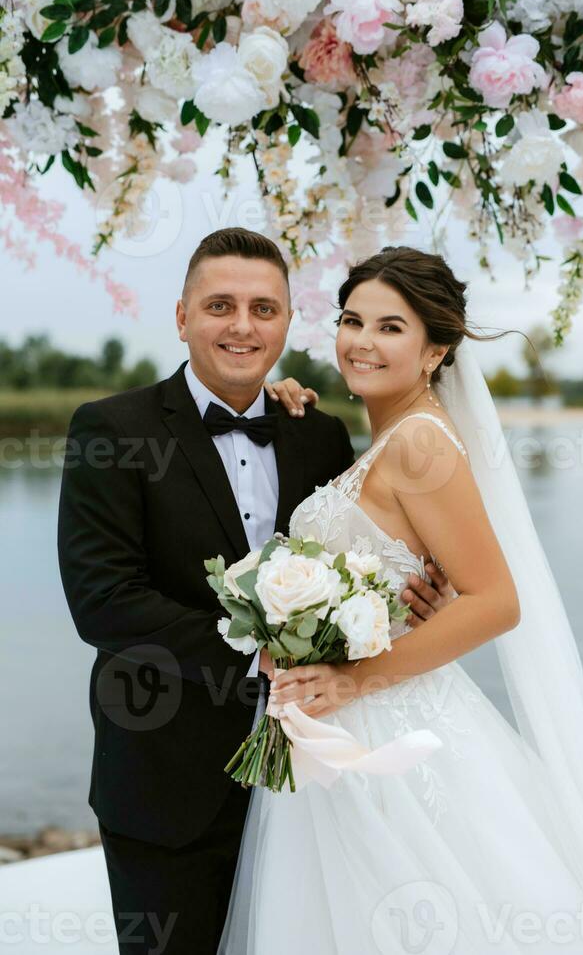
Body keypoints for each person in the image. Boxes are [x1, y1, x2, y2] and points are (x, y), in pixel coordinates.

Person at [218, 246, 583, 955]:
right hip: (346, 729)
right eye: (353, 320)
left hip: (391, 728)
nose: (362, 341)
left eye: (391, 327)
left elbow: (495, 601)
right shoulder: (386, 437)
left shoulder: (418, 441)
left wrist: (353, 677)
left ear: (435, 351)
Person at [56, 229, 447, 955]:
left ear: (288, 322)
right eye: (220, 305)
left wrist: (413, 601)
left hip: (309, 783)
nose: (243, 325)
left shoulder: (318, 433)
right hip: (164, 780)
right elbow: (103, 599)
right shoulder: (111, 429)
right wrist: (255, 659)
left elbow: (366, 558)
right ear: (181, 317)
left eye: (264, 308)